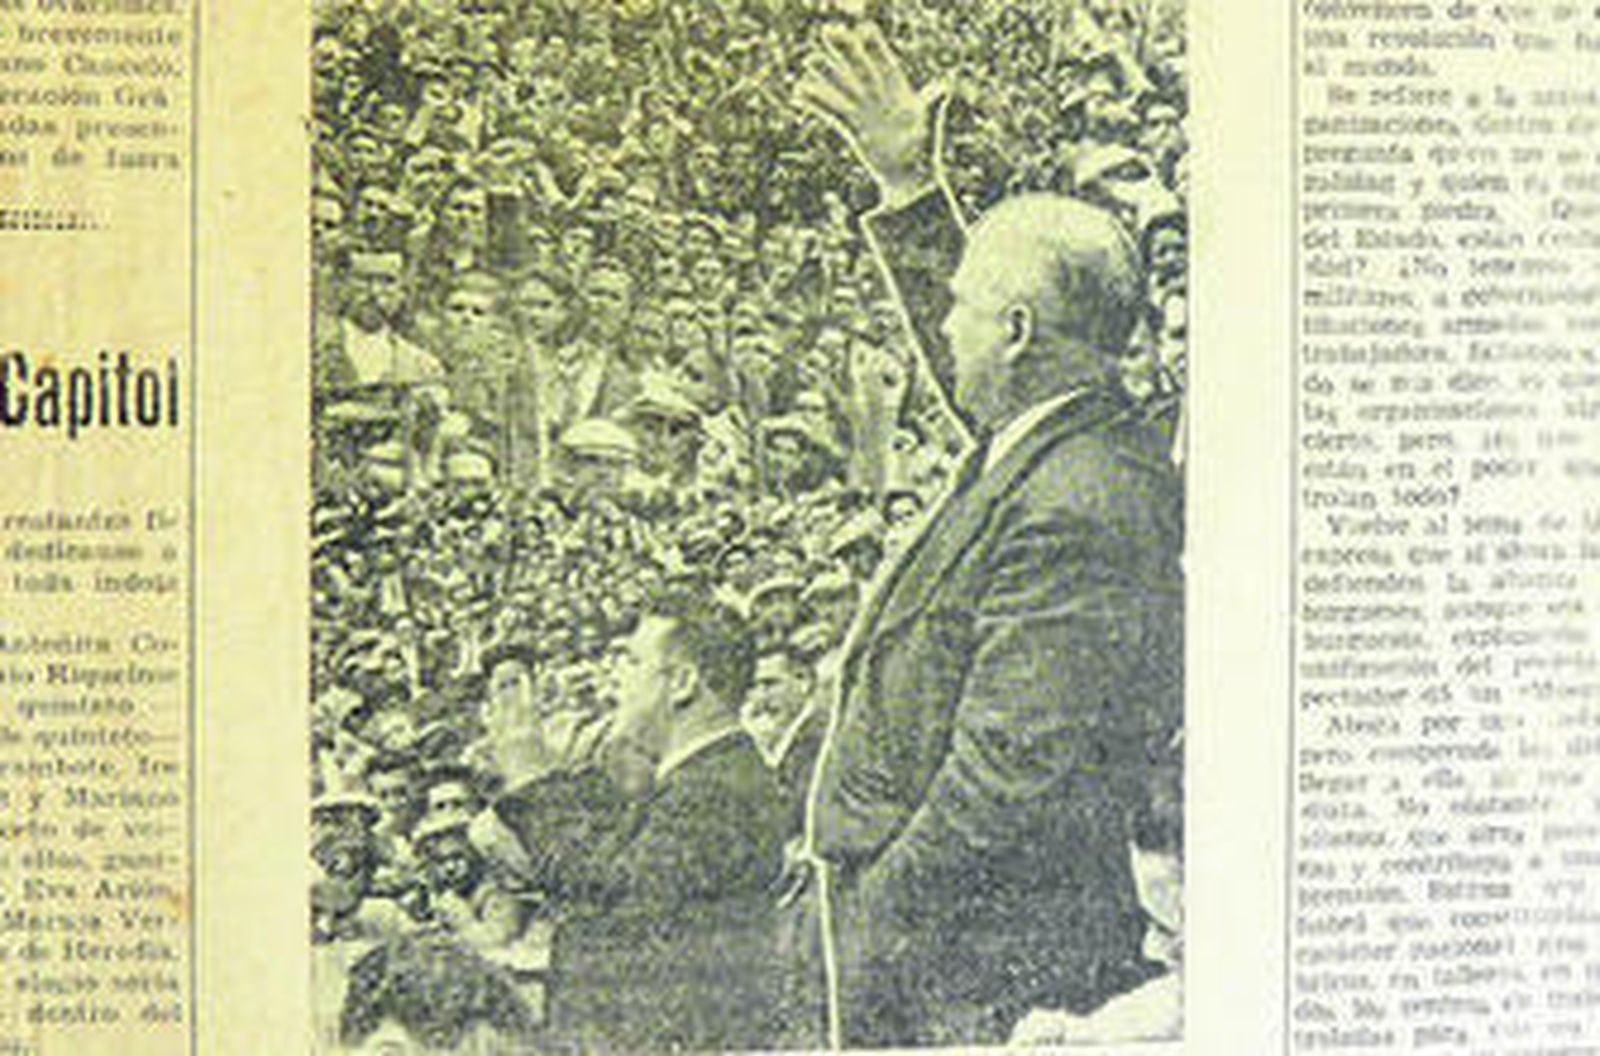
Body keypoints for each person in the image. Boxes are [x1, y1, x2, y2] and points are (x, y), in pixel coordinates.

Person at [797, 22, 1185, 1048]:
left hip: (978, 982)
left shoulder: (1079, 500)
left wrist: (875, 915)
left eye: (963, 308)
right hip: (961, 963)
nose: (943, 327)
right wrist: (908, 191)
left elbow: (1002, 782)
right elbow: (982, 363)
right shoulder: (1062, 438)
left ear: (1015, 335)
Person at [547, 589, 793, 1054]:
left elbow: (612, 913)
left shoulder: (711, 794)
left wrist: (532, 783)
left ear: (681, 682)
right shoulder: (706, 776)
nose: (619, 683)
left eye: (634, 663)